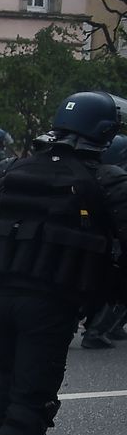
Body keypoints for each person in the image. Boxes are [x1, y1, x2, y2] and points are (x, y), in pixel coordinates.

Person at [0, 91, 127, 435]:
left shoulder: (8, 169)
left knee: (10, 372)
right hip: (52, 301)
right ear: (104, 132)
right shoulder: (106, 180)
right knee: (34, 397)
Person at [79, 134, 127, 349]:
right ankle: (97, 330)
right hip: (110, 241)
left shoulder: (93, 173)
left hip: (98, 241)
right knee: (114, 288)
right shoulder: (114, 177)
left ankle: (105, 327)